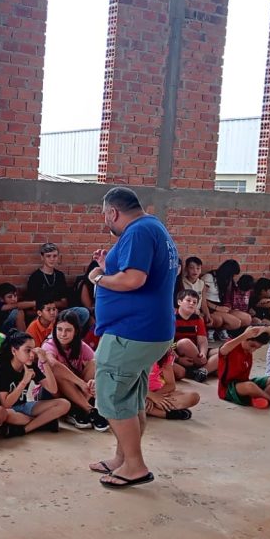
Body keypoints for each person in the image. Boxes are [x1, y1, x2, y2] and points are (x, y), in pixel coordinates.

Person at [87, 187, 178, 489]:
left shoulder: (138, 232)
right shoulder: (154, 227)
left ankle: (135, 466)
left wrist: (98, 277)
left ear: (113, 212)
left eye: (105, 216)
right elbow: (133, 271)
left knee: (113, 400)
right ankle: (122, 459)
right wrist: (110, 264)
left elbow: (134, 279)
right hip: (149, 330)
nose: (106, 223)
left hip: (132, 331)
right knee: (131, 399)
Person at [0, 331, 70, 436]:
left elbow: (53, 389)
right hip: (4, 410)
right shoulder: (3, 369)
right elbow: (6, 404)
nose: (32, 355)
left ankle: (24, 429)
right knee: (7, 415)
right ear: (14, 351)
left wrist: (44, 361)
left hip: (22, 407)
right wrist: (24, 381)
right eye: (27, 350)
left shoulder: (31, 366)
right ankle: (43, 422)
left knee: (64, 404)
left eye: (33, 350)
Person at [41, 309, 108, 431]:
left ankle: (76, 410)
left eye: (68, 330)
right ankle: (89, 409)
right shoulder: (49, 345)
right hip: (51, 391)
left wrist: (94, 382)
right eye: (59, 329)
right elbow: (53, 364)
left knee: (93, 364)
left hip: (76, 391)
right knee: (57, 370)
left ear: (76, 331)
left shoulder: (81, 345)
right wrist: (81, 383)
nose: (63, 334)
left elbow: (99, 364)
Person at [216, 326, 270, 409]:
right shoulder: (231, 346)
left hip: (246, 382)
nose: (253, 350)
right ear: (245, 339)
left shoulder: (248, 350)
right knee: (250, 386)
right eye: (252, 346)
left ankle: (258, 398)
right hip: (228, 388)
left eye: (257, 348)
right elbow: (223, 349)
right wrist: (245, 335)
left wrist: (264, 329)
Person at [172, 290, 218, 382]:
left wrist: (203, 353)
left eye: (194, 302)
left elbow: (202, 340)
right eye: (188, 300)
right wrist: (178, 359)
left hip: (196, 351)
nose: (191, 303)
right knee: (185, 342)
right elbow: (167, 344)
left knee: (223, 351)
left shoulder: (198, 318)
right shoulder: (171, 317)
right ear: (179, 302)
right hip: (177, 349)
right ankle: (206, 368)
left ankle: (202, 370)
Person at [145, 348, 200, 420]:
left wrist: (155, 397)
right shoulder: (132, 352)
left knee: (193, 397)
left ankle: (145, 408)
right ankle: (163, 413)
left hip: (159, 393)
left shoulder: (164, 354)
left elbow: (170, 385)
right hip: (136, 393)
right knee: (130, 400)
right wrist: (150, 395)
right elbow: (128, 386)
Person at [201, 260, 251, 335]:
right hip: (210, 307)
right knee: (235, 323)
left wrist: (227, 306)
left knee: (247, 319)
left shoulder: (227, 280)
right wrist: (216, 307)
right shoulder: (209, 277)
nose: (232, 277)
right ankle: (214, 331)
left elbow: (228, 296)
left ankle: (221, 330)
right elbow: (201, 298)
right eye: (232, 275)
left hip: (222, 307)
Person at [26, 242, 70, 308]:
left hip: (59, 311)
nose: (52, 259)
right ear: (42, 257)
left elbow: (64, 303)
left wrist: (44, 302)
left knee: (82, 311)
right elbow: (33, 304)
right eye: (48, 256)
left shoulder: (60, 275)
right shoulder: (35, 277)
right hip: (42, 312)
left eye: (55, 256)